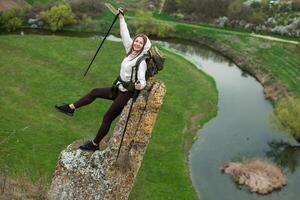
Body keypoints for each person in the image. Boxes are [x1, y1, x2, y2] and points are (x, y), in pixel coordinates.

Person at [55, 9, 151, 151]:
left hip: (126, 94)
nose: (136, 44)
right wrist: (121, 18)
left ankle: (95, 144)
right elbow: (125, 35)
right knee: (95, 91)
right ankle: (70, 108)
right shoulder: (130, 51)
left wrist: (140, 85)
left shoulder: (141, 60)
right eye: (136, 41)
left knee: (107, 117)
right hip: (118, 89)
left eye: (140, 43)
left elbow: (142, 80)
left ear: (144, 46)